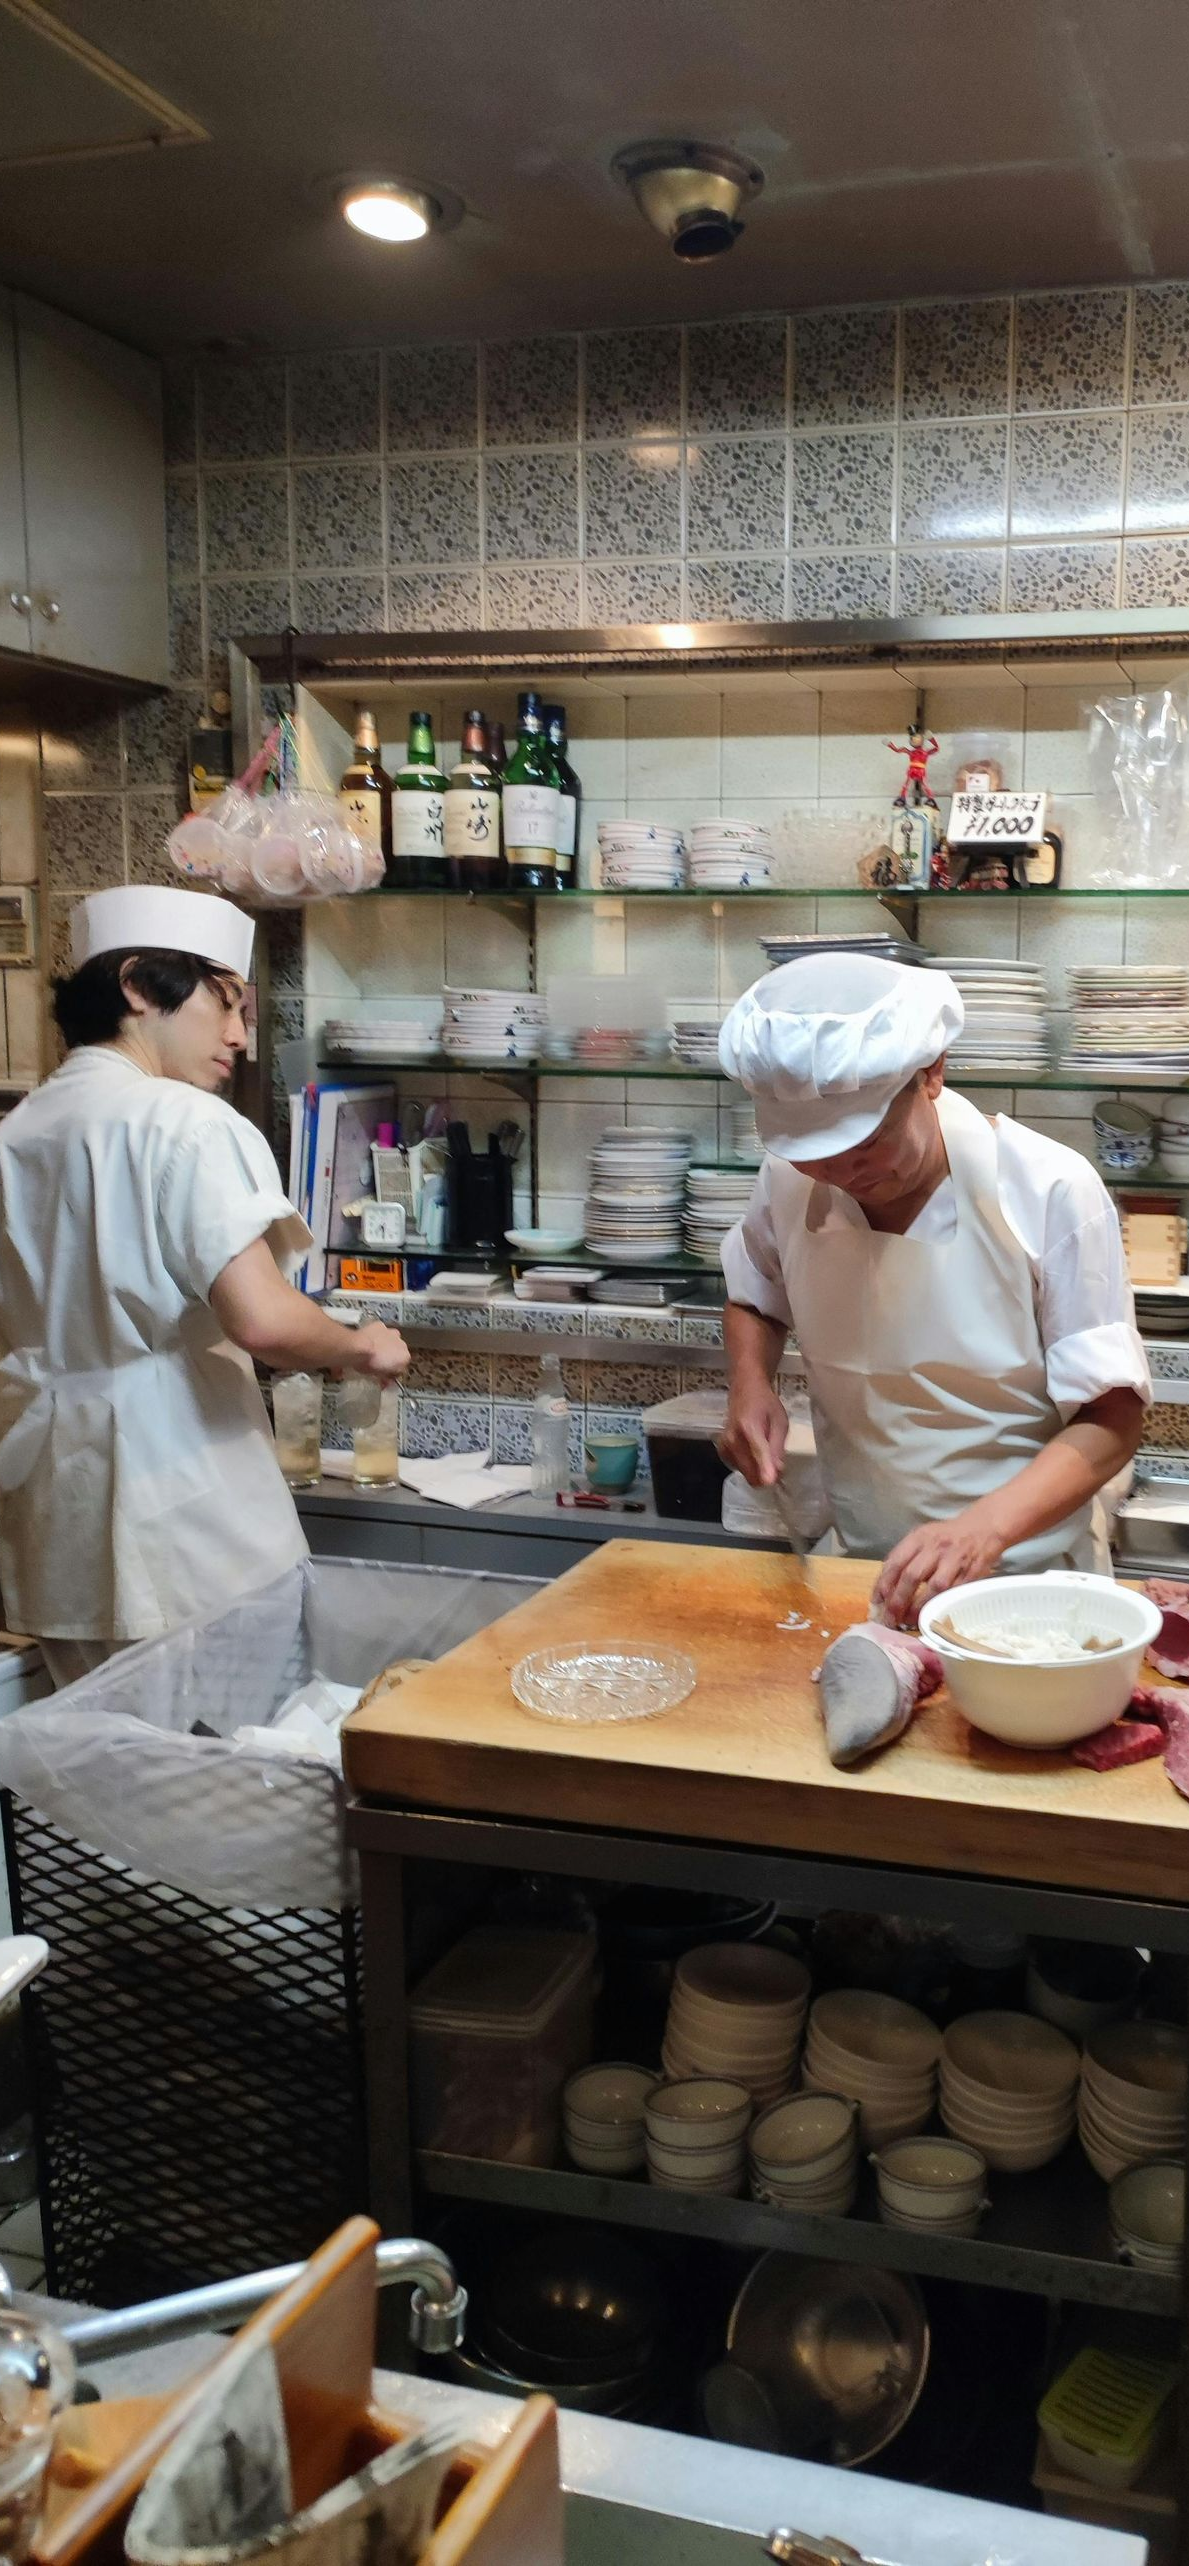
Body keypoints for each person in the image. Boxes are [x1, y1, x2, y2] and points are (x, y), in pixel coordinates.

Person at [0, 885, 409, 1684]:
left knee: (109, 1775)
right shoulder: (184, 1121)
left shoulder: (18, 1131)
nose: (238, 1038)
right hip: (183, 1507)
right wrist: (359, 1347)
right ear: (139, 986)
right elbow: (261, 1319)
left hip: (53, 1509)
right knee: (229, 1772)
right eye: (225, 1004)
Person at [717, 952, 1150, 1625]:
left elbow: (1112, 1422)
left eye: (863, 1144)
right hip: (862, 1576)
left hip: (1026, 1587)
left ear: (930, 1074)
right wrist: (750, 1383)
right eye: (812, 1152)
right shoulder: (787, 1179)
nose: (837, 1173)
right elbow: (754, 1292)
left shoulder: (1050, 1189)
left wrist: (982, 1530)